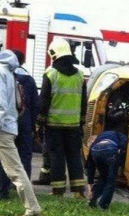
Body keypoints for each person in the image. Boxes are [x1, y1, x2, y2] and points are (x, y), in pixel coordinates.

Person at [0, 29, 42, 216]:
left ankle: (33, 210)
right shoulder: (5, 67)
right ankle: (33, 210)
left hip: (0, 129)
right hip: (2, 127)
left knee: (16, 171)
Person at [36, 37, 87, 198]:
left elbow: (44, 101)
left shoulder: (50, 74)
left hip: (54, 125)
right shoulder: (80, 75)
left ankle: (58, 191)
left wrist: (39, 123)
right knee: (74, 157)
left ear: (54, 55)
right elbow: (83, 102)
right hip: (73, 126)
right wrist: (82, 123)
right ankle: (79, 191)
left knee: (56, 157)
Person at [0, 50, 40, 199]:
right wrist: (32, 125)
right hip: (25, 121)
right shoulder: (29, 79)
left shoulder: (5, 75)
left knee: (3, 156)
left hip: (7, 120)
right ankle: (22, 190)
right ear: (23, 61)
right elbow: (35, 105)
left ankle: (1, 189)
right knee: (25, 155)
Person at [85, 129, 128, 209]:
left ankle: (92, 201)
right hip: (110, 149)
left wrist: (89, 186)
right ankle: (103, 206)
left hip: (95, 151)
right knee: (110, 180)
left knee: (104, 178)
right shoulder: (116, 133)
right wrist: (119, 147)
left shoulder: (94, 144)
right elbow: (126, 139)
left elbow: (90, 167)